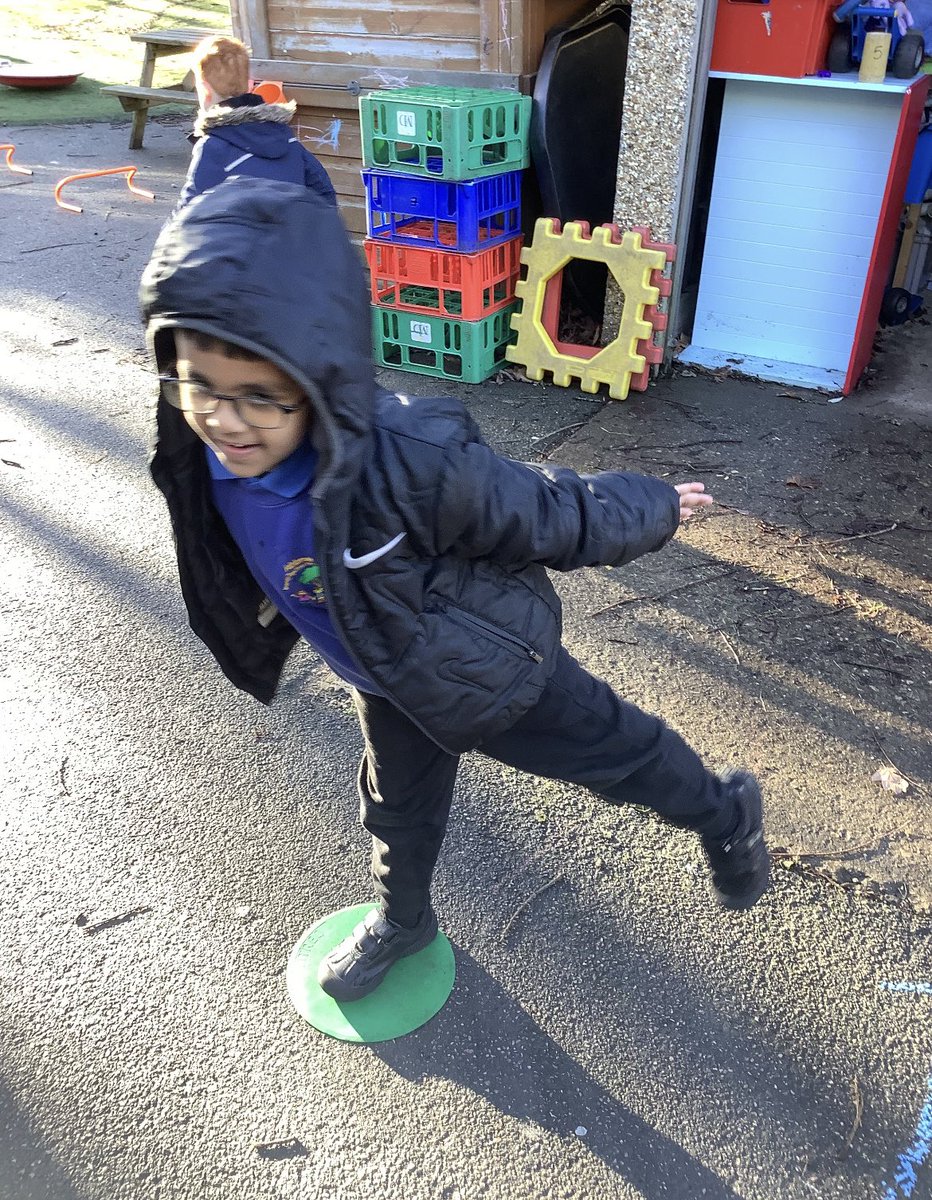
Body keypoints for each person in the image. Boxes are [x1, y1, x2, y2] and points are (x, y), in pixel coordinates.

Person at [141, 178, 770, 1004]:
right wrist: (228, 114)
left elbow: (542, 508)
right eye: (202, 386)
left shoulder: (406, 458)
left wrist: (649, 505)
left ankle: (725, 812)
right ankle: (405, 921)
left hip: (492, 670)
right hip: (386, 678)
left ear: (319, 377)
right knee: (395, 812)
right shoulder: (200, 449)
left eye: (261, 395)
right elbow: (229, 228)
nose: (225, 420)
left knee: (620, 756)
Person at [177, 34, 336, 210]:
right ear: (250, 84)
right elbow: (324, 192)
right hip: (287, 234)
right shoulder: (284, 136)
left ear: (205, 90)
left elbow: (186, 214)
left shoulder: (213, 148)